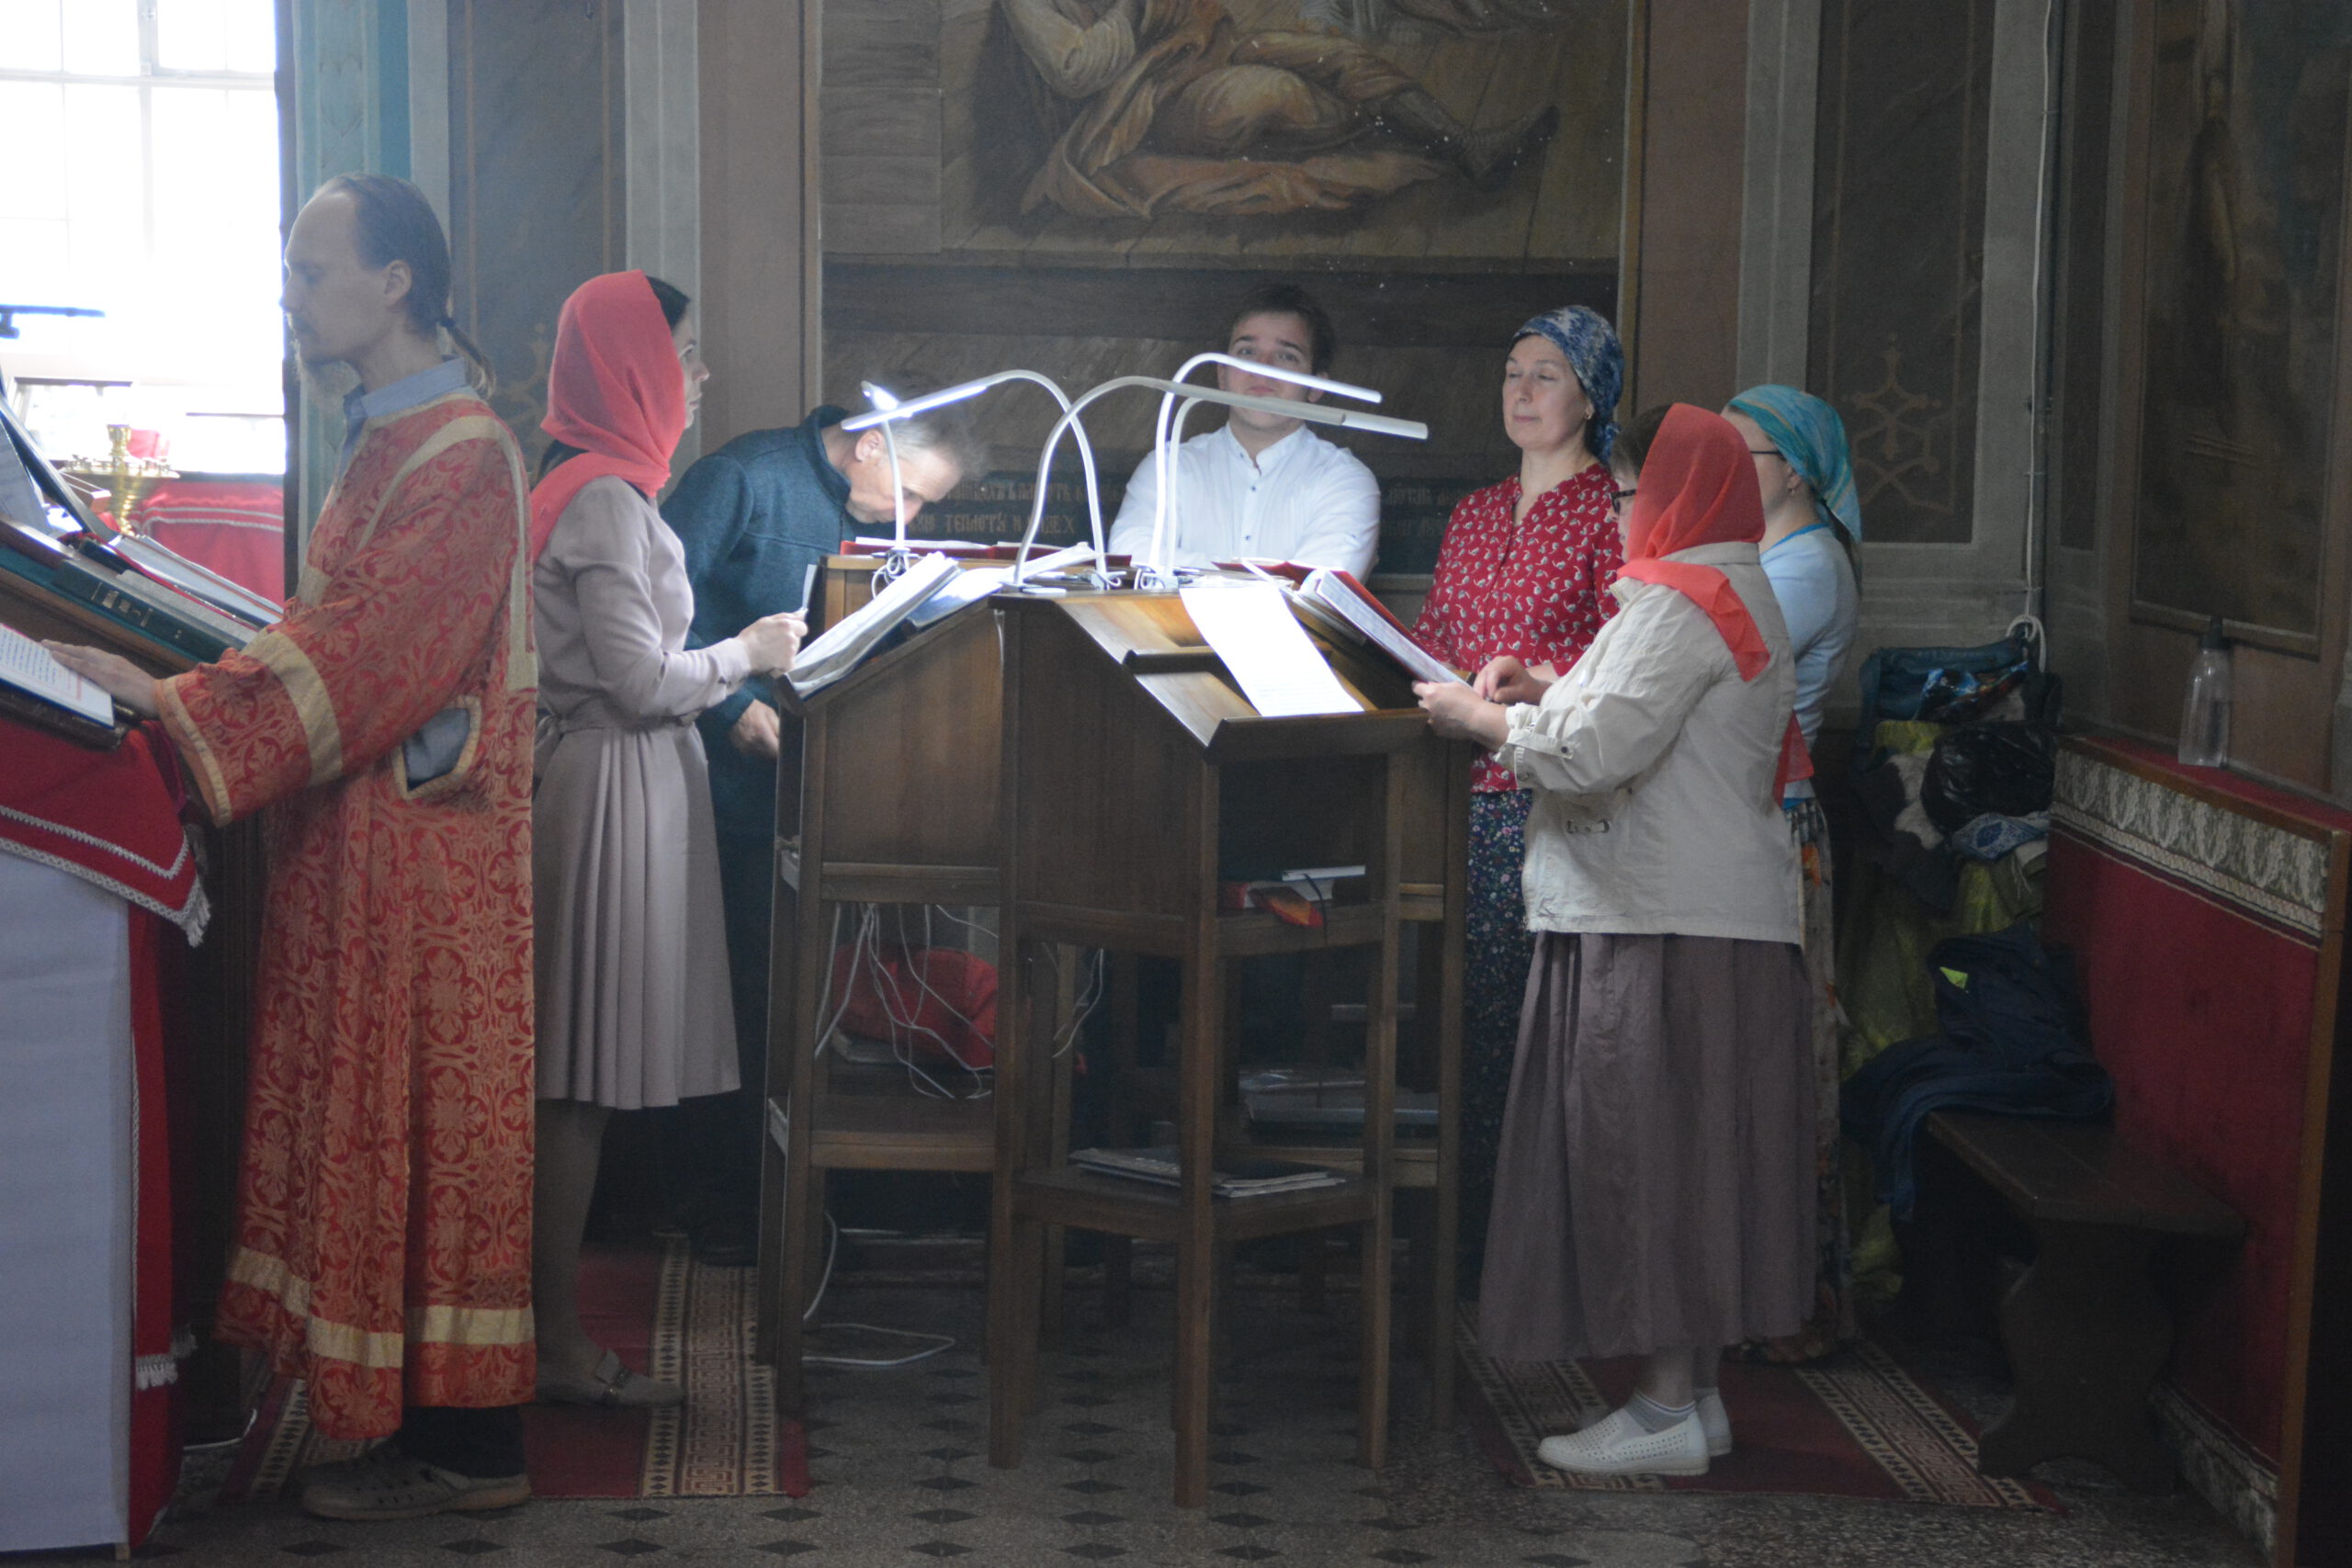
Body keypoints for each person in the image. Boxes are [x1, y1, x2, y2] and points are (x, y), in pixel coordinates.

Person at [49, 174, 539, 1519]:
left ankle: (465, 1446)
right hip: (362, 853)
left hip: (427, 873)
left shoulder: (460, 451)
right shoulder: (391, 437)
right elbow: (334, 634)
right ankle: (391, 1420)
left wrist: (173, 699)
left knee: (424, 1132)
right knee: (375, 1129)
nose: (291, 294)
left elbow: (369, 656)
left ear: (396, 281)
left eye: (313, 271)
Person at [1415, 402, 1814, 1478]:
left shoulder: (1680, 599)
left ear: (1678, 493)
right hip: (1700, 914)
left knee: (1650, 1162)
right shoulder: (1723, 583)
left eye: (1633, 491)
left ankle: (1662, 1408)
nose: (1620, 509)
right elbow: (1653, 715)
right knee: (1692, 1161)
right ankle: (1694, 1400)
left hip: (1657, 920)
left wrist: (1478, 719)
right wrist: (1545, 687)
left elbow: (1594, 753)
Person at [526, 271, 807, 1403]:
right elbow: (640, 683)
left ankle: (545, 1333)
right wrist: (751, 654)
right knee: (575, 1087)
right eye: (683, 355)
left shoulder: (599, 489)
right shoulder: (602, 499)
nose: (699, 378)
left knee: (580, 1083)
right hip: (611, 785)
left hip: (619, 777)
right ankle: (552, 1342)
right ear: (631, 366)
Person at [660, 383, 981, 1259]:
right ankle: (724, 1205)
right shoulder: (744, 479)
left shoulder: (871, 514)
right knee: (731, 1001)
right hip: (705, 783)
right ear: (871, 443)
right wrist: (730, 709)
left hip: (808, 792)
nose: (910, 518)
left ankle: (785, 1202)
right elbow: (646, 619)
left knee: (787, 998)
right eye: (910, 494)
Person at [1406, 304, 1624, 1282]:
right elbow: (1436, 634)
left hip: (1544, 795)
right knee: (1456, 1013)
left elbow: (1622, 663)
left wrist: (1528, 684)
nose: (1522, 391)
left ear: (1591, 396)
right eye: (1511, 372)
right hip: (1453, 790)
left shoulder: (1608, 509)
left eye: (1546, 374)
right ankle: (1460, 1237)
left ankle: (1523, 1251)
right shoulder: (1476, 511)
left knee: (1520, 1019)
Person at [1724, 382, 1863, 1363]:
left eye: (1747, 456)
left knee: (1778, 1060)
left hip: (1779, 822)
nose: (1729, 473)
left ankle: (1790, 1300)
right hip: (1746, 812)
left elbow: (1714, 663)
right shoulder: (1767, 556)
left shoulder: (1807, 565)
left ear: (1799, 473)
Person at [999, 0, 1558, 218]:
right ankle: (1383, 131)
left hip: (1194, 55)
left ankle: (1462, 143)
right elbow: (1076, 71)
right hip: (1134, 110)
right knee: (1271, 93)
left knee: (1334, 56)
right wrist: (1134, 9)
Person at [1108, 283, 1382, 577]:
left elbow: (1317, 587)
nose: (1262, 368)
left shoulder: (1345, 479)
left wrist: (1187, 574)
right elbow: (1131, 556)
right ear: (1222, 375)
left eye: (1286, 356)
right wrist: (1265, 580)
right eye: (1247, 351)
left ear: (1316, 387)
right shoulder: (1169, 466)